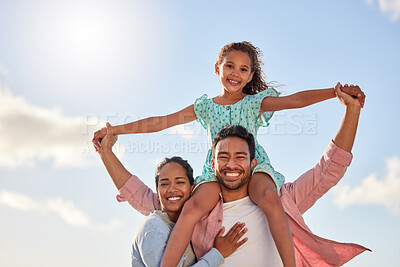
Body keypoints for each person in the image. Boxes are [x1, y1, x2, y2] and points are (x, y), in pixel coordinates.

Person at [92, 41, 366, 267]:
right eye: (230, 66)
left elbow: (294, 101)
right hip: (214, 169)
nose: (235, 73)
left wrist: (335, 92)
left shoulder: (254, 102)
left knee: (270, 198)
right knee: (192, 208)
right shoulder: (205, 107)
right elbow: (161, 121)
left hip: (255, 167)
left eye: (243, 69)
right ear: (217, 68)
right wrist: (116, 130)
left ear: (249, 76)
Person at [98, 137, 249, 266]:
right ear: (157, 192)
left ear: (192, 188)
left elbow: (135, 191)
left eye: (180, 182)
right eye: (164, 184)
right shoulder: (154, 226)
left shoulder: (190, 220)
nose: (172, 189)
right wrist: (217, 253)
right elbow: (134, 191)